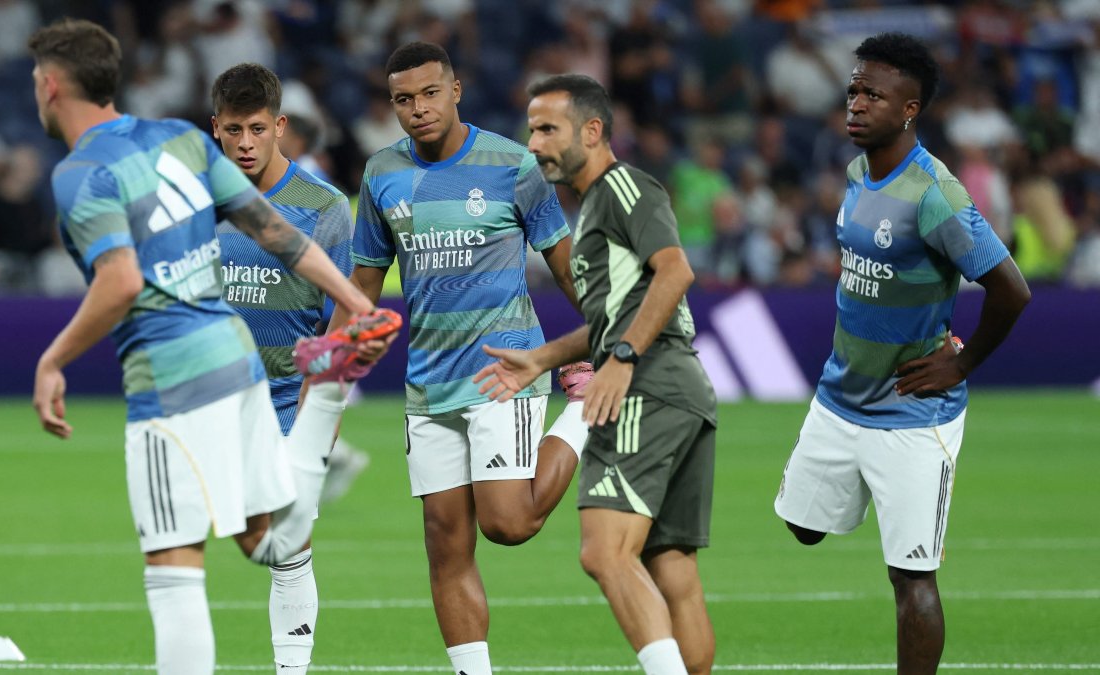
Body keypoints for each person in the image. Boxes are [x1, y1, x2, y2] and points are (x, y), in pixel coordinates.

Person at [27, 20, 397, 675]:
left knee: (174, 572)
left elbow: (120, 282)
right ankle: (324, 418)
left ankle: (322, 408)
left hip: (174, 378)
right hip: (242, 364)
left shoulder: (81, 171)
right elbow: (273, 227)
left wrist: (52, 359)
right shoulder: (182, 139)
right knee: (272, 541)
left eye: (36, 81)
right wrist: (359, 300)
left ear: (52, 85)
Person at [772, 33, 1030, 675]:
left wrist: (961, 364)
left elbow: (1011, 289)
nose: (856, 103)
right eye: (853, 90)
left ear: (909, 109)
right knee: (801, 527)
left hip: (914, 414)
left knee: (911, 578)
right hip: (839, 398)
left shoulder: (935, 192)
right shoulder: (859, 172)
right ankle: (860, 491)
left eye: (873, 94)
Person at [331, 41, 591, 675]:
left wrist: (609, 338)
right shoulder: (381, 173)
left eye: (428, 93)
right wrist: (332, 380)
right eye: (402, 99)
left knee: (509, 525)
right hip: (428, 383)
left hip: (505, 371)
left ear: (456, 90)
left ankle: (585, 412)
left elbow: (566, 264)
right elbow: (362, 284)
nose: (417, 109)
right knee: (445, 546)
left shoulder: (512, 164)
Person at [474, 74, 718, 675]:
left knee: (604, 553)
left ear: (592, 130)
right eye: (531, 129)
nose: (534, 144)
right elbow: (616, 315)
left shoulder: (623, 188)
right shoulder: (592, 213)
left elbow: (675, 272)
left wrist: (624, 359)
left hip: (649, 385)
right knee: (671, 568)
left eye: (547, 129)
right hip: (679, 388)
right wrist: (544, 357)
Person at [210, 62, 355, 674]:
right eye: (234, 130)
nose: (246, 144)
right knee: (228, 543)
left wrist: (327, 408)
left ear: (280, 126)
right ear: (214, 128)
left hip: (289, 403)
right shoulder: (195, 207)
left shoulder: (322, 207)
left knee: (290, 545)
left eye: (257, 129)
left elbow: (343, 319)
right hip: (211, 404)